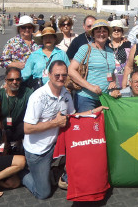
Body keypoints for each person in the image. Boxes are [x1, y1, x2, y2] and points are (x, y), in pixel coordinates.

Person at [22, 60, 107, 199]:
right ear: (49, 75)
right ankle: (23, 173)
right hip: (38, 152)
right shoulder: (37, 97)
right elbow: (27, 128)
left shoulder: (66, 94)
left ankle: (56, 172)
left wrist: (94, 111)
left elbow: (72, 116)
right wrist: (55, 123)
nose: (61, 78)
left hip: (55, 146)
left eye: (64, 75)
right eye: (57, 75)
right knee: (43, 194)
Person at [68, 19, 116, 112]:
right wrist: (90, 87)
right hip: (86, 98)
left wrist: (113, 82)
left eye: (104, 31)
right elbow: (71, 70)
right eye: (98, 31)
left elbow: (111, 71)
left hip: (104, 97)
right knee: (87, 124)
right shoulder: (85, 48)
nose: (101, 34)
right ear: (93, 34)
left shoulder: (110, 51)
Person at [0, 67, 33, 153]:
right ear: (6, 80)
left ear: (21, 80)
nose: (14, 82)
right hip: (2, 130)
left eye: (17, 79)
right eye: (11, 80)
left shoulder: (27, 93)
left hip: (20, 129)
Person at [108, 19, 131, 87]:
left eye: (119, 30)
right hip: (110, 80)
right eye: (114, 30)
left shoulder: (128, 44)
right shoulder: (105, 46)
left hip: (125, 79)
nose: (116, 31)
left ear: (122, 32)